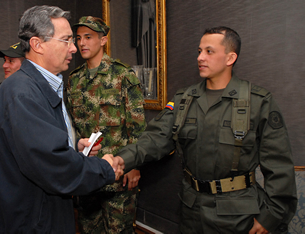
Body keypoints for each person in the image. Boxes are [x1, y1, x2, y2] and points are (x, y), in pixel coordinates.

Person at [113, 26, 298, 234]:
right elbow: (155, 138)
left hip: (237, 215)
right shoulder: (184, 99)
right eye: (199, 51)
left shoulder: (258, 102)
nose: (200, 57)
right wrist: (122, 159)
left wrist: (270, 218)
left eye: (209, 51)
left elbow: (279, 167)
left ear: (230, 58)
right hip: (192, 211)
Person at [0, 6, 119, 234]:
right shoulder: (22, 92)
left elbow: (35, 144)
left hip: (42, 213)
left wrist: (73, 146)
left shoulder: (43, 84)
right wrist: (104, 169)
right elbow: (53, 165)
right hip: (30, 222)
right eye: (66, 40)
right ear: (37, 44)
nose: (74, 48)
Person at [67, 16, 146, 233]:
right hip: (88, 175)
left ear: (103, 40)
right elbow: (73, 127)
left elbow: (137, 126)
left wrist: (134, 165)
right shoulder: (74, 79)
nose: (82, 43)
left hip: (118, 175)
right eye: (79, 38)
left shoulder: (123, 74)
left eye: (89, 37)